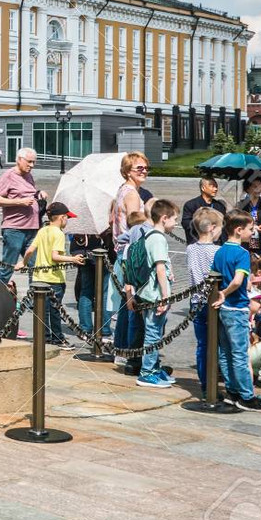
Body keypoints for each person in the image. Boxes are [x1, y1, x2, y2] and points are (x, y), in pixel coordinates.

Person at [212, 211, 261, 412]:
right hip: (236, 307)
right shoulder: (242, 253)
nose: (253, 232)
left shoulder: (220, 251)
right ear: (239, 230)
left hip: (223, 309)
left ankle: (232, 390)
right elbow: (238, 281)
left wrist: (221, 293)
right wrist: (225, 292)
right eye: (250, 229)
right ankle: (247, 396)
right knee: (239, 353)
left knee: (225, 351)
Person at [20, 201, 85, 348]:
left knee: (43, 311)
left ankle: (44, 337)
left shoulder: (43, 230)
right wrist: (73, 259)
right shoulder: (59, 234)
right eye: (67, 218)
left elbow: (29, 251)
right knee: (55, 310)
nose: (67, 221)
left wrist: (23, 263)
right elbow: (55, 256)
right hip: (54, 279)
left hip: (39, 277)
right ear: (62, 218)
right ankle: (58, 339)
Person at [132, 199, 179, 388]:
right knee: (153, 334)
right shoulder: (158, 238)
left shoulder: (150, 235)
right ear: (164, 218)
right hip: (155, 295)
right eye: (174, 219)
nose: (176, 223)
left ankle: (154, 367)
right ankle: (147, 372)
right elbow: (159, 268)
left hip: (148, 293)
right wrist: (165, 297)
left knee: (155, 332)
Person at [110, 152, 151, 369]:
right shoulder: (132, 194)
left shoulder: (121, 190)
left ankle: (121, 349)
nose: (144, 171)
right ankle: (129, 351)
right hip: (131, 253)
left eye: (146, 168)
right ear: (127, 171)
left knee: (125, 304)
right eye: (139, 168)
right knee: (132, 304)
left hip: (121, 251)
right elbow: (136, 226)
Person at [0, 147, 45, 294]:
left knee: (35, 267)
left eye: (34, 162)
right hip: (14, 229)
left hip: (32, 229)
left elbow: (30, 194)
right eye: (29, 162)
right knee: (8, 267)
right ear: (19, 160)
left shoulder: (29, 176)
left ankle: (34, 301)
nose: (32, 165)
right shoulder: (8, 176)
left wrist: (39, 194)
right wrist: (20, 202)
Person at [187, 206, 225, 392]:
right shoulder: (218, 251)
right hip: (212, 301)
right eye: (220, 227)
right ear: (211, 228)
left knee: (202, 344)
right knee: (216, 343)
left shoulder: (190, 249)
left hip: (196, 300)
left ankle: (205, 383)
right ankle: (214, 381)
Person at [181, 177, 227, 246]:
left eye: (216, 187)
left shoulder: (220, 206)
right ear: (203, 188)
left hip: (216, 245)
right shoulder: (191, 205)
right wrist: (204, 224)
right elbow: (186, 224)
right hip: (198, 244)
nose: (215, 189)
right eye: (212, 186)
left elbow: (224, 227)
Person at [236, 177, 261, 257]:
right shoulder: (240, 206)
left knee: (259, 262)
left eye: (260, 186)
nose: (258, 189)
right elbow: (236, 224)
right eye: (255, 186)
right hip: (245, 243)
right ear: (248, 188)